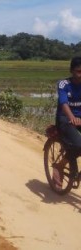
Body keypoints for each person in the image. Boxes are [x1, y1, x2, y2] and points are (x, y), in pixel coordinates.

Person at [56, 56, 81, 185]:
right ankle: (60, 165)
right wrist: (72, 118)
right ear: (71, 70)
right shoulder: (64, 84)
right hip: (65, 119)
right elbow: (63, 103)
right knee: (78, 145)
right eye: (78, 71)